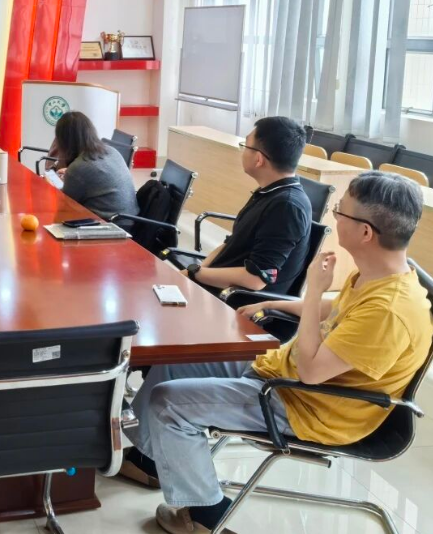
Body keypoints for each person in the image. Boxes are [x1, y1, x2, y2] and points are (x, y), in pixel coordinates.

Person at [121, 171, 431, 534]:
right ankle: (150, 461)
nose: (334, 216)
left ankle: (206, 516)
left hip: (308, 406)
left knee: (167, 401)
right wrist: (277, 303)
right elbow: (342, 309)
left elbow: (311, 373)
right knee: (178, 361)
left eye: (340, 211)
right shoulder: (383, 274)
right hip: (283, 373)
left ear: (365, 232)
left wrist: (314, 291)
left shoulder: (390, 311)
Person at [180, 116, 311, 296]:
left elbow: (255, 279)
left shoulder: (286, 207)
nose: (242, 151)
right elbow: (231, 244)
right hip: (216, 288)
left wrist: (195, 274)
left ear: (259, 159)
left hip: (236, 302)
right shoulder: (269, 192)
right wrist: (195, 272)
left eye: (245, 146)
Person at [52, 111, 138, 223]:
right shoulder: (111, 151)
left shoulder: (79, 168)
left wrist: (58, 183)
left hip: (111, 226)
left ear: (64, 141)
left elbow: (64, 211)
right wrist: (70, 175)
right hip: (132, 221)